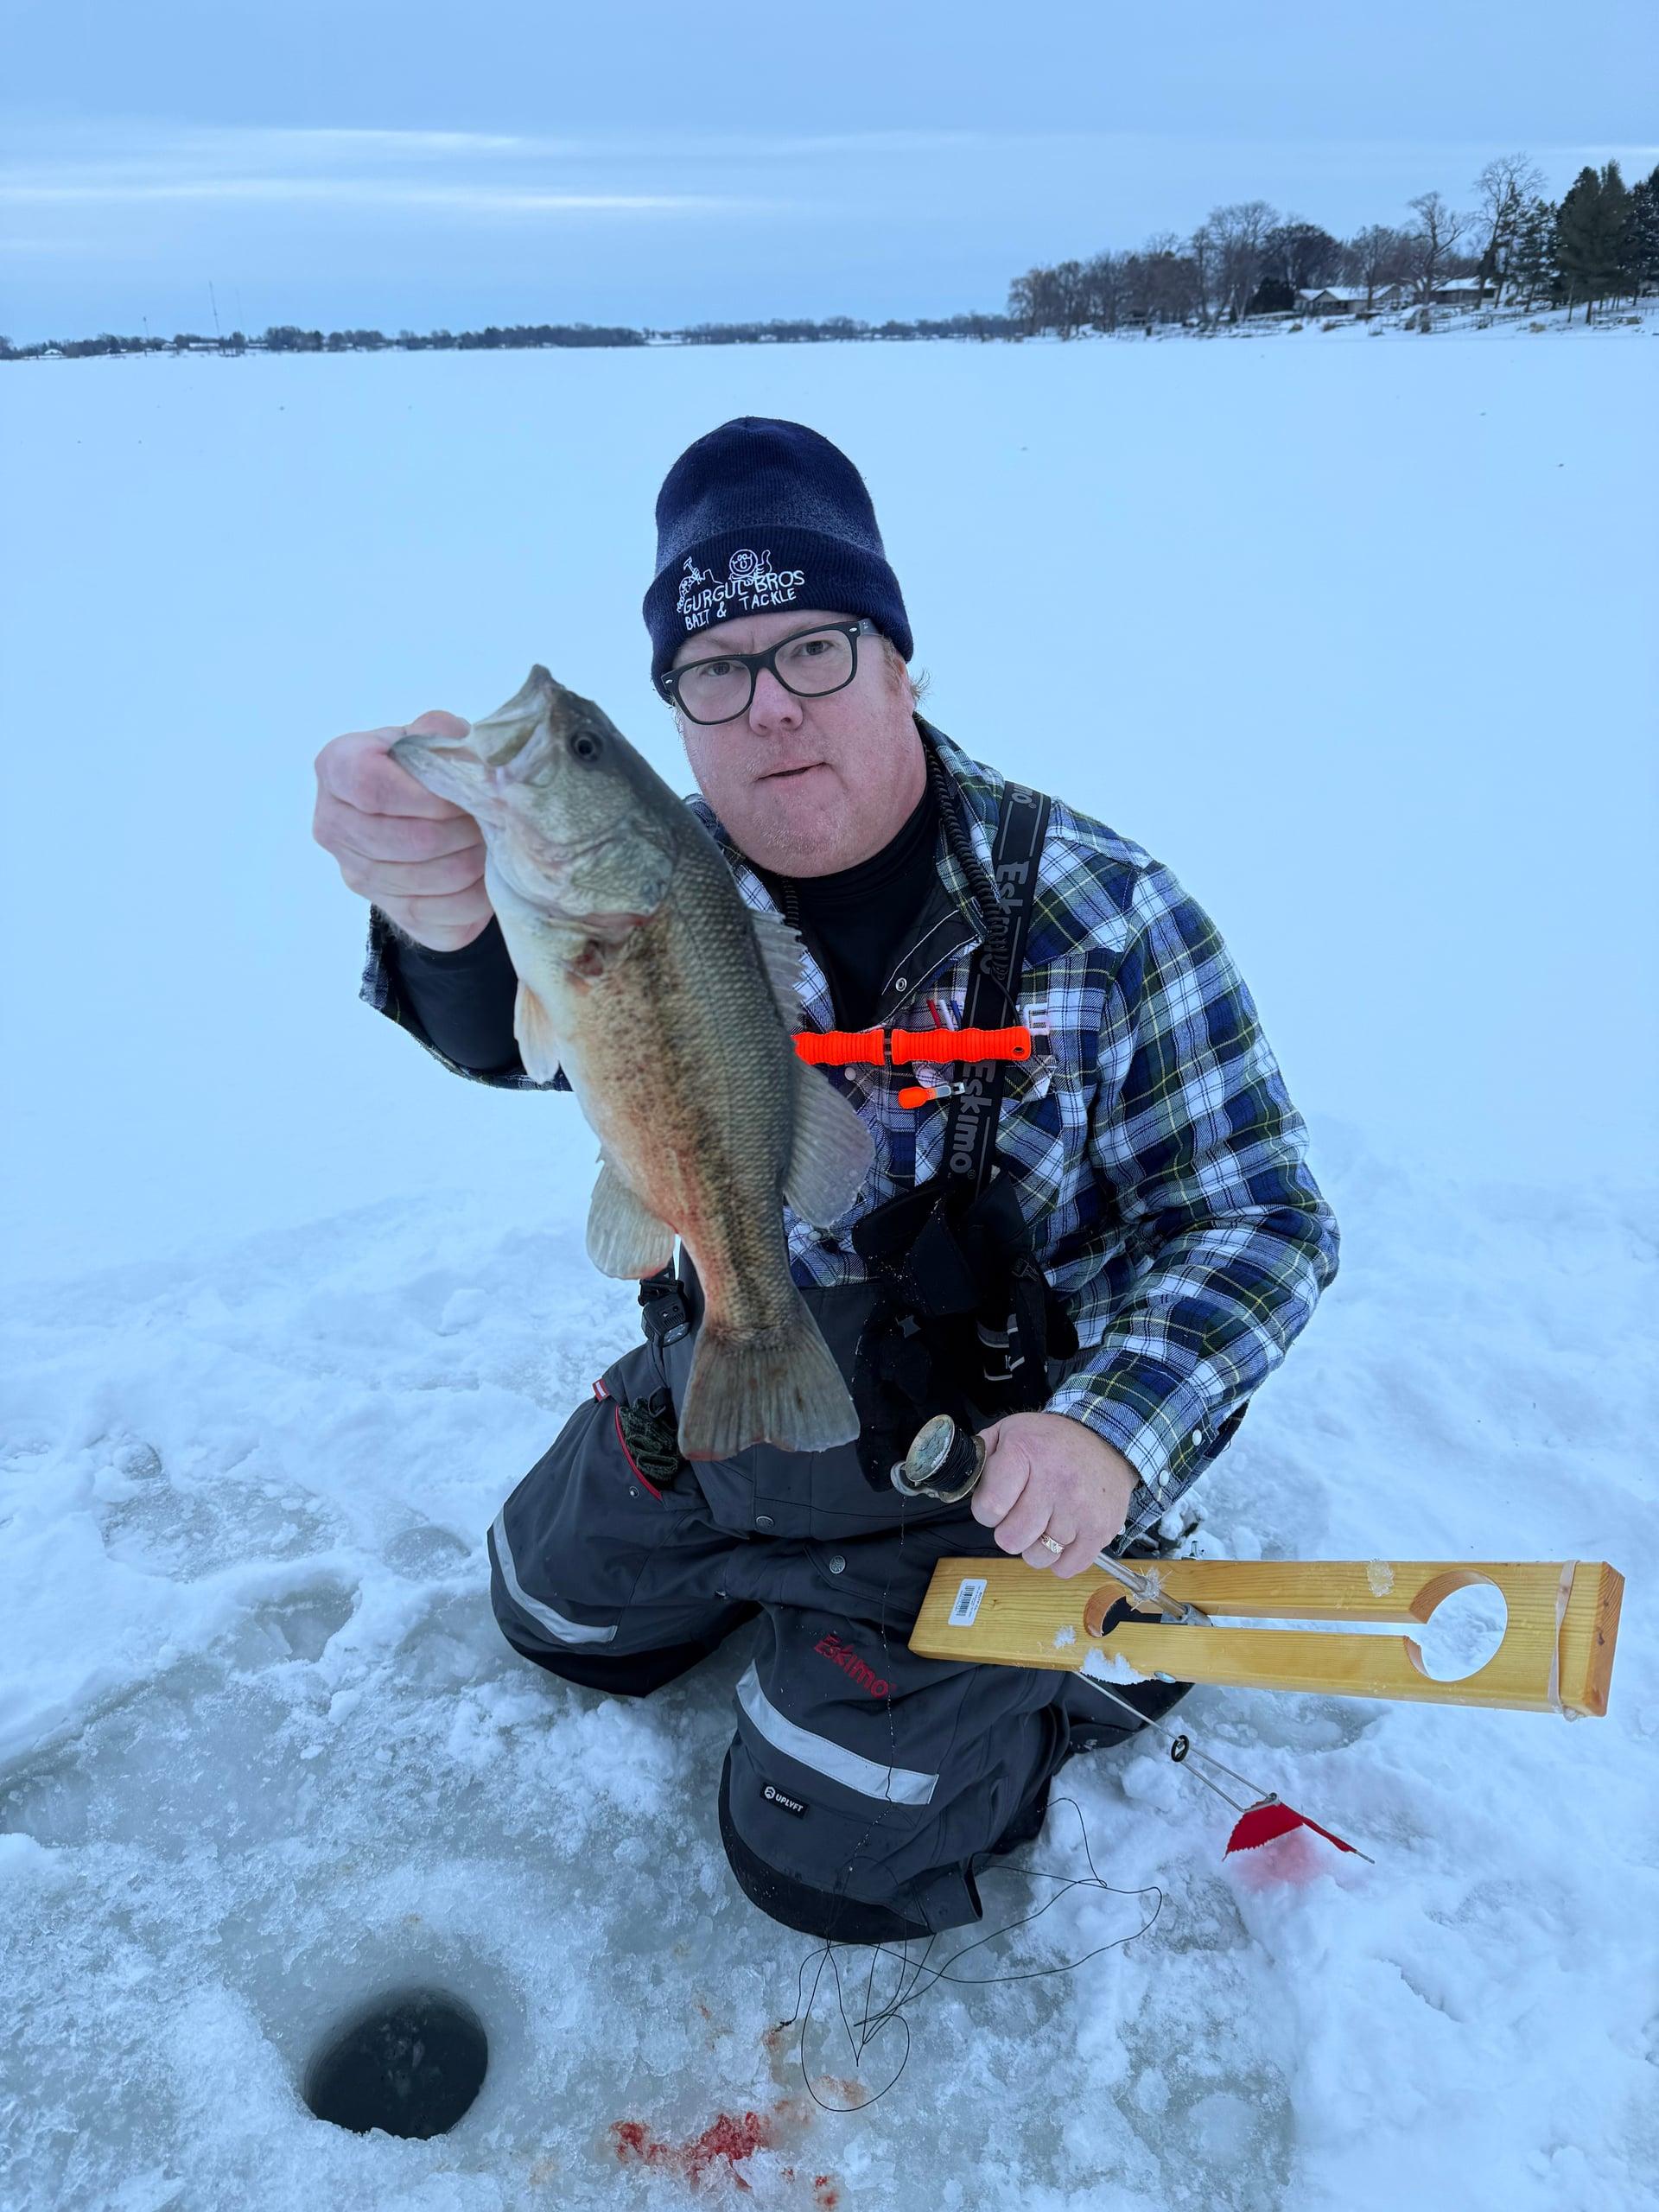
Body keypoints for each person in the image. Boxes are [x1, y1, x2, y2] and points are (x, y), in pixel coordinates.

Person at [312, 416, 1340, 1946]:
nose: (772, 707)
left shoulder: (1110, 914)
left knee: (824, 1849)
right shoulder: (655, 880)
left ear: (900, 663)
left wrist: (1108, 1435)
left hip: (983, 1461)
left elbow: (1262, 1216)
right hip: (731, 1381)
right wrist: (437, 921)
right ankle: (772, 1552)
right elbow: (512, 1033)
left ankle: (1065, 1676)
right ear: (678, 714)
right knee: (551, 1619)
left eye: (816, 649)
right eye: (716, 671)